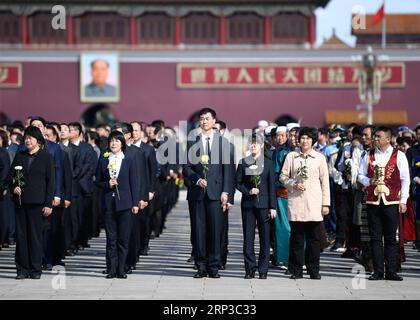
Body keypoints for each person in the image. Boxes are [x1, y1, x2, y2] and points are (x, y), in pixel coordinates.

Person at [183, 107, 232, 279]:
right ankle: (201, 266)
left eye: (207, 118)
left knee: (215, 230)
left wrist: (227, 192)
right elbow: (186, 168)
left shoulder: (224, 143)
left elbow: (228, 171)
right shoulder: (192, 142)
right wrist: (197, 179)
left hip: (216, 193)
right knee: (198, 231)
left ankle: (214, 266)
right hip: (197, 193)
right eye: (201, 119)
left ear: (214, 121)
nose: (204, 121)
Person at [358, 126, 410, 281]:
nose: (375, 139)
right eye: (375, 136)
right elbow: (360, 175)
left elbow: (405, 179)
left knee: (390, 238)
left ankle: (392, 271)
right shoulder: (368, 155)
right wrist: (368, 181)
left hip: (392, 201)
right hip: (373, 201)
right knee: (375, 237)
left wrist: (403, 200)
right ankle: (378, 271)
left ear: (388, 139)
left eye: (378, 136)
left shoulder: (399, 155)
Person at [280, 127, 330, 280]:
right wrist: (293, 184)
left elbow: (325, 182)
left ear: (313, 141)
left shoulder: (320, 158)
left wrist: (325, 204)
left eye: (308, 138)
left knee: (314, 240)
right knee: (296, 238)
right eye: (302, 138)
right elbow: (282, 176)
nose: (305, 141)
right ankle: (295, 270)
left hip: (314, 203)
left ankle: (313, 269)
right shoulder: (291, 156)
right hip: (296, 202)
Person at [7, 126, 55, 280]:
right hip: (21, 203)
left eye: (31, 138)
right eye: (26, 137)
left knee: (35, 236)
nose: (27, 140)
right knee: (21, 236)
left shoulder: (46, 157)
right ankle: (22, 269)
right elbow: (10, 176)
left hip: (38, 203)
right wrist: (14, 186)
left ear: (38, 141)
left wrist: (48, 204)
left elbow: (51, 182)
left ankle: (35, 269)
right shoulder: (20, 156)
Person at [96, 131, 140, 279]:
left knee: (123, 238)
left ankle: (121, 269)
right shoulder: (104, 160)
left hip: (126, 204)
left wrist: (135, 203)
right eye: (111, 141)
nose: (114, 143)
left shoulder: (128, 160)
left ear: (122, 143)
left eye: (117, 141)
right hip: (109, 203)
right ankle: (111, 269)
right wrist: (107, 184)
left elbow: (135, 183)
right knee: (111, 239)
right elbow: (97, 182)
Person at [236, 133, 276, 279]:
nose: (253, 146)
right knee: (248, 238)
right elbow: (238, 183)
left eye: (256, 143)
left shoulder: (268, 163)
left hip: (264, 205)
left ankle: (263, 269)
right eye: (251, 143)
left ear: (261, 145)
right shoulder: (243, 162)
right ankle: (249, 269)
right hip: (248, 205)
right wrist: (248, 191)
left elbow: (272, 186)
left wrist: (273, 207)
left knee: (265, 239)